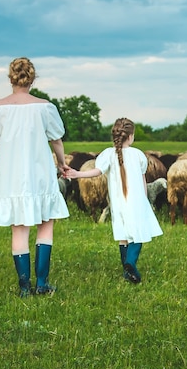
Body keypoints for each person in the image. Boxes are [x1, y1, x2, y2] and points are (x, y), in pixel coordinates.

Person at [0, 57, 70, 297]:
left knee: (19, 231)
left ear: (11, 78)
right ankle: (42, 283)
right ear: (32, 79)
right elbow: (57, 140)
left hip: (11, 177)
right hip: (40, 174)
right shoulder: (44, 107)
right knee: (45, 225)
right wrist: (62, 164)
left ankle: (24, 288)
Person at [64, 118, 162, 284]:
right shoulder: (139, 155)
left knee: (123, 236)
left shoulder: (108, 154)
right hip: (136, 201)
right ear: (130, 136)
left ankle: (126, 272)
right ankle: (130, 263)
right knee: (138, 234)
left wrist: (77, 174)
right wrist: (145, 201)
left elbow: (96, 171)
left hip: (117, 202)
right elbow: (143, 180)